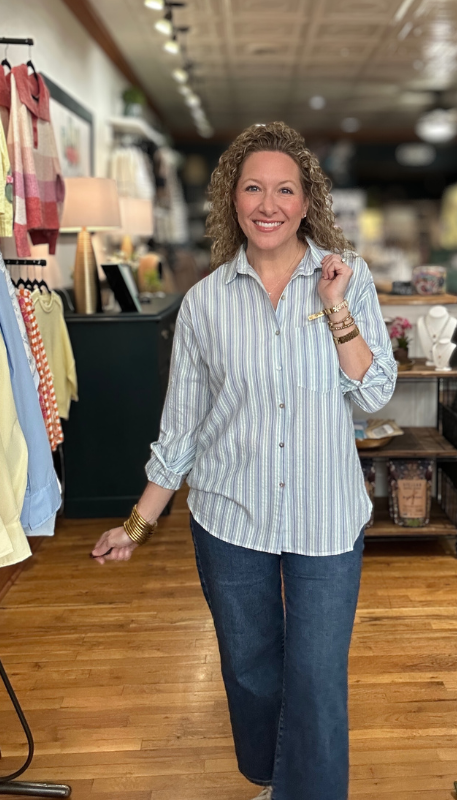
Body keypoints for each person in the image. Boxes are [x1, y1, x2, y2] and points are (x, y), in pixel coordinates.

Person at [92, 121, 397, 800]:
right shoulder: (203, 304)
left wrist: (336, 307)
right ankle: (271, 778)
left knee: (317, 677)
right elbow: (182, 428)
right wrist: (136, 526)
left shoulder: (347, 278)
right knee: (251, 669)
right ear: (232, 200)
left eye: (284, 189)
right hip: (230, 518)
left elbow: (375, 394)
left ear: (306, 200)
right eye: (253, 188)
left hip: (324, 517)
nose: (268, 203)